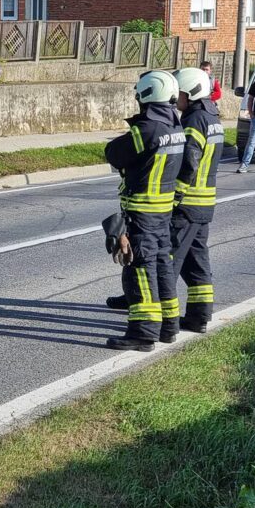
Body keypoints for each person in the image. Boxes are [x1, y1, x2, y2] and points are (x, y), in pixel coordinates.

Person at [103, 70, 186, 352]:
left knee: (140, 272)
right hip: (163, 214)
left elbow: (114, 152)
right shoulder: (176, 128)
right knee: (163, 269)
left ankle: (142, 333)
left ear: (147, 95)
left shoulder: (148, 129)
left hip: (141, 214)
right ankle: (168, 326)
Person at [164, 67, 224, 337]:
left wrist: (175, 194)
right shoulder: (212, 117)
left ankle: (163, 323)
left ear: (193, 93)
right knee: (197, 262)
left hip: (186, 205)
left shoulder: (194, 121)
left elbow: (189, 160)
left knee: (169, 262)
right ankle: (199, 317)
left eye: (180, 94)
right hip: (204, 205)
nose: (177, 99)